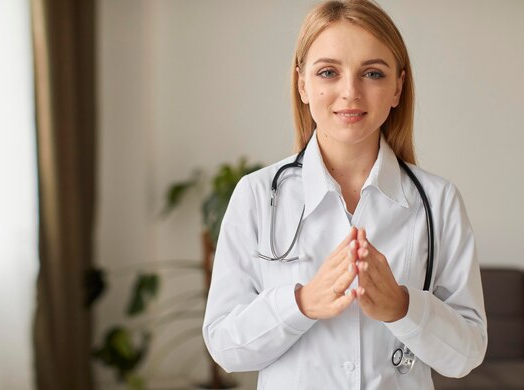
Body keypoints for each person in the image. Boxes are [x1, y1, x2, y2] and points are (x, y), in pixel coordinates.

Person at [201, 0, 487, 389]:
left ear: (397, 87)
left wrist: (403, 308)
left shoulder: (438, 202)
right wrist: (301, 304)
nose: (350, 92)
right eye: (328, 72)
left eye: (372, 72)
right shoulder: (255, 196)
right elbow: (223, 345)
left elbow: (467, 354)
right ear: (302, 83)